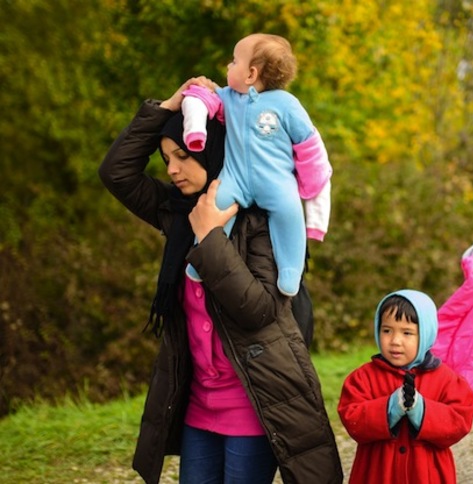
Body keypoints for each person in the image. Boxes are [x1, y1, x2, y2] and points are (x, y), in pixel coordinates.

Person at [98, 78, 342, 484]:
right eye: (166, 159)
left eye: (183, 156)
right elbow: (116, 173)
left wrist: (211, 237)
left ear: (213, 149)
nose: (173, 169)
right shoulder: (177, 213)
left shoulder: (259, 218)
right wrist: (168, 106)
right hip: (197, 408)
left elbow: (260, 309)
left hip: (254, 403)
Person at [181, 33, 331, 297]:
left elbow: (309, 143)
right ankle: (202, 260)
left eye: (234, 61)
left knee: (289, 212)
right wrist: (197, 101)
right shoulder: (228, 98)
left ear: (251, 73)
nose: (228, 66)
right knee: (215, 202)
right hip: (235, 176)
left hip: (275, 179)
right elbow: (205, 100)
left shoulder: (286, 104)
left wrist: (311, 181)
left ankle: (290, 271)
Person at [337, 289, 473, 484]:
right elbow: (351, 418)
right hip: (377, 474)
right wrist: (388, 408)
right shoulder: (362, 378)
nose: (395, 341)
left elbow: (460, 421)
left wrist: (422, 411)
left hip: (427, 475)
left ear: (426, 334)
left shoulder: (446, 379)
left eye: (407, 332)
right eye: (387, 330)